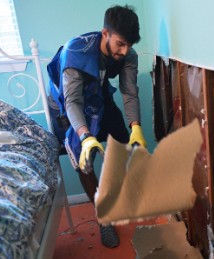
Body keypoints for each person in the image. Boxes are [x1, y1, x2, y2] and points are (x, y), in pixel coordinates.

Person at [47, 5, 146, 248]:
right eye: (120, 43)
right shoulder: (75, 52)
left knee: (125, 145)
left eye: (129, 45)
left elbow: (130, 93)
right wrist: (85, 136)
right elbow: (72, 102)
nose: (124, 51)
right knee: (85, 159)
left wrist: (136, 128)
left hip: (99, 96)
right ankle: (103, 218)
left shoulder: (128, 55)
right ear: (105, 33)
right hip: (66, 104)